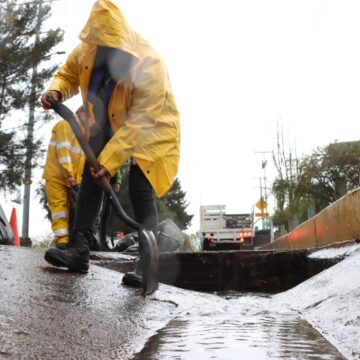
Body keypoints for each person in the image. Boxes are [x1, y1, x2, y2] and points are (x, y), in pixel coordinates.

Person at [41, 0, 180, 280]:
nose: (106, 53)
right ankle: (79, 250)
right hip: (108, 116)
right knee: (91, 171)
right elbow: (68, 73)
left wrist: (112, 160)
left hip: (153, 126)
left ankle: (146, 264)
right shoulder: (89, 49)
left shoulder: (150, 63)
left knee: (141, 186)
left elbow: (142, 120)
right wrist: (56, 91)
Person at [42, 106, 86, 249]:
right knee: (59, 209)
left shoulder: (84, 133)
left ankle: (72, 243)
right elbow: (63, 150)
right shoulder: (65, 125)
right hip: (56, 176)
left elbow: (81, 159)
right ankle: (61, 242)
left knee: (75, 211)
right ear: (80, 113)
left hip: (72, 179)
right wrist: (69, 174)